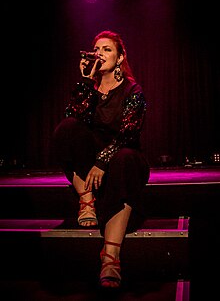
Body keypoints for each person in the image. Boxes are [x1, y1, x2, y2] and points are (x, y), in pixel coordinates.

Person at [52, 30, 150, 288]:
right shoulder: (89, 89)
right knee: (66, 129)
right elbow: (72, 122)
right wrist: (85, 81)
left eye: (107, 49)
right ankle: (87, 201)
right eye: (97, 49)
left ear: (120, 58)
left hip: (124, 158)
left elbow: (129, 134)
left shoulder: (133, 90)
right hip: (92, 164)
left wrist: (102, 161)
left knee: (125, 159)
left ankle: (110, 258)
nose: (100, 53)